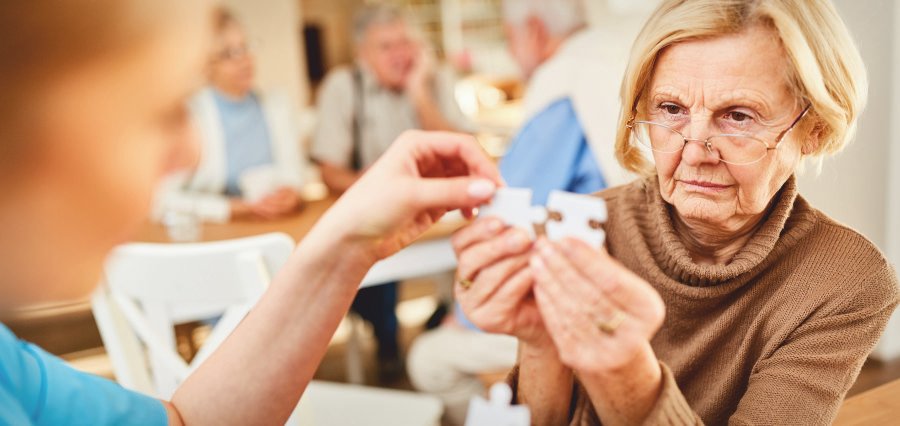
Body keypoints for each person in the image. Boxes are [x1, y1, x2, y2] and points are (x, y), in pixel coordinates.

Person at [0, 1, 502, 424]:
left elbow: (184, 420)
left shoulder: (10, 367)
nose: (189, 152)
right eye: (161, 109)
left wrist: (349, 245)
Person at [454, 0, 900, 424]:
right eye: (671, 109)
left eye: (739, 116)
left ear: (815, 130)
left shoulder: (847, 280)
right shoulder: (582, 229)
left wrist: (628, 374)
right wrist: (539, 344)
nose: (694, 151)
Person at [407, 0, 631, 423]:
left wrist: (465, 320)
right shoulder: (614, 56)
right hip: (635, 284)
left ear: (533, 32)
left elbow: (505, 210)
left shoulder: (563, 82)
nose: (513, 53)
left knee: (428, 358)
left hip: (597, 305)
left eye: (511, 40)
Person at [310, 4, 474, 380]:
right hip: (376, 212)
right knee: (370, 261)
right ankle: (388, 342)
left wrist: (419, 93)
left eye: (405, 42)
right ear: (361, 54)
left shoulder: (434, 79)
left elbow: (465, 150)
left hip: (440, 214)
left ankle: (445, 330)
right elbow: (329, 172)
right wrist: (377, 190)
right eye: (386, 47)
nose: (400, 54)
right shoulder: (343, 86)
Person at [155, 8, 305, 223]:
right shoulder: (190, 116)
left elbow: (295, 173)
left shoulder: (276, 106)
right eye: (228, 54)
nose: (244, 60)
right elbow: (161, 200)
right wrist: (230, 208)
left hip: (274, 223)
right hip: (218, 231)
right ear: (205, 66)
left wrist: (292, 192)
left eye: (245, 47)